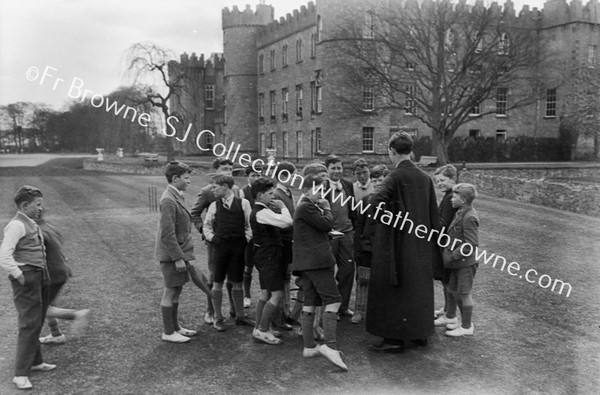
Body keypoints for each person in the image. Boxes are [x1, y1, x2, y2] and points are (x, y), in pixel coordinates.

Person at [367, 132, 442, 353]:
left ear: (392, 151)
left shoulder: (394, 177)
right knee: (417, 289)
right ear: (410, 150)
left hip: (397, 246)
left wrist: (390, 220)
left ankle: (394, 340)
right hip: (420, 246)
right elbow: (432, 214)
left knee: (395, 291)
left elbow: (373, 204)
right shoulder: (425, 178)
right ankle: (419, 334)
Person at [0, 185, 54, 390]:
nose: (41, 208)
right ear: (24, 205)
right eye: (37, 205)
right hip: (27, 277)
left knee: (37, 320)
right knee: (28, 324)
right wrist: (18, 274)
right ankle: (20, 374)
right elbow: (4, 254)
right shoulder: (16, 225)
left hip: (40, 274)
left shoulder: (31, 222)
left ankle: (36, 362)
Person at [292, 175, 348, 371]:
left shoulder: (306, 206)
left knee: (310, 301)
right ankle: (330, 347)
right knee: (333, 300)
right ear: (306, 189)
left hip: (307, 261)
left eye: (323, 190)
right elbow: (327, 224)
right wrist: (327, 207)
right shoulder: (307, 205)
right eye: (318, 189)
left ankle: (309, 346)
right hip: (317, 261)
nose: (322, 194)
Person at [190, 158, 240, 324]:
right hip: (216, 243)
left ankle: (234, 308)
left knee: (233, 275)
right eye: (224, 169)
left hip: (234, 241)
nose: (228, 172)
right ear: (216, 171)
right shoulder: (208, 191)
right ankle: (210, 311)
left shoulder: (236, 190)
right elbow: (194, 213)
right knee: (214, 276)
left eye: (230, 169)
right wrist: (205, 232)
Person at [155, 161, 199, 343]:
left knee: (177, 289)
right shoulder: (168, 199)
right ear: (175, 178)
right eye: (186, 178)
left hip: (178, 253)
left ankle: (175, 327)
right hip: (172, 255)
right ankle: (168, 331)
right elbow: (167, 234)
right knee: (170, 291)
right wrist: (178, 258)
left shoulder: (176, 196)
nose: (189, 181)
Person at [203, 174, 254, 332]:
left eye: (215, 187)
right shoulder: (214, 206)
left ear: (225, 186)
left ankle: (240, 316)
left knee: (237, 281)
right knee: (218, 281)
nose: (213, 190)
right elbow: (207, 226)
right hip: (220, 249)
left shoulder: (243, 203)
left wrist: (245, 238)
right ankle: (218, 318)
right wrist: (214, 238)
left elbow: (249, 225)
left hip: (238, 248)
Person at [249, 178, 293, 344]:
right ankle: (263, 329)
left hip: (263, 255)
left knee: (265, 293)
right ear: (260, 196)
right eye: (269, 194)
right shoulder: (262, 212)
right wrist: (283, 208)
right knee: (277, 294)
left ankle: (260, 326)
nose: (272, 197)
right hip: (269, 256)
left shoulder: (261, 210)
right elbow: (287, 222)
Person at [36, 215, 90, 345]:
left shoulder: (38, 231)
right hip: (60, 271)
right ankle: (56, 334)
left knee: (41, 308)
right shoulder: (48, 227)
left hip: (52, 275)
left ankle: (76, 315)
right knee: (48, 304)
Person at [440, 183, 480, 337]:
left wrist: (452, 256)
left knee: (464, 294)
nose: (452, 199)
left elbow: (471, 244)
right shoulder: (461, 212)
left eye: (454, 197)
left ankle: (467, 327)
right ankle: (456, 321)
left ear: (463, 199)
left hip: (465, 263)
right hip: (457, 263)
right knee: (453, 291)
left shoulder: (469, 216)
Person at [351, 165, 389, 324]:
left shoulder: (392, 201)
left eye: (381, 180)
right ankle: (359, 310)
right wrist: (358, 248)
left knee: (383, 281)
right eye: (374, 180)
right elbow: (359, 226)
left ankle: (380, 311)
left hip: (385, 249)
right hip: (367, 248)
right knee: (363, 279)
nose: (378, 183)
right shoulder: (366, 200)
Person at [324, 154, 356, 319]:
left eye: (339, 168)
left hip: (347, 233)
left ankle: (343, 306)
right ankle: (331, 308)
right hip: (329, 235)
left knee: (348, 269)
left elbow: (353, 209)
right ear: (327, 169)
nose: (337, 171)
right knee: (328, 270)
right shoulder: (321, 186)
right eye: (333, 168)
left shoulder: (347, 185)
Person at [272, 162, 297, 329]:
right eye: (292, 175)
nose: (295, 178)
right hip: (281, 243)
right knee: (280, 280)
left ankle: (285, 313)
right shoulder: (276, 194)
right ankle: (278, 317)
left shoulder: (288, 192)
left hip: (289, 242)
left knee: (287, 279)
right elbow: (278, 221)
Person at [432, 164, 458, 321]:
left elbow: (443, 223)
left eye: (442, 180)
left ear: (452, 179)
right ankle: (447, 309)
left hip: (448, 245)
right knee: (445, 279)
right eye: (437, 181)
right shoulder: (449, 195)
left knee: (448, 279)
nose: (439, 183)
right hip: (447, 243)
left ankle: (449, 315)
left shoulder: (450, 198)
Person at [240, 165, 262, 308]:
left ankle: (264, 294)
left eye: (258, 175)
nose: (256, 178)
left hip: (262, 233)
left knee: (263, 266)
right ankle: (246, 295)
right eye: (253, 175)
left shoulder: (264, 190)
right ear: (247, 176)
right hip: (249, 234)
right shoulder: (243, 191)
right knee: (248, 267)